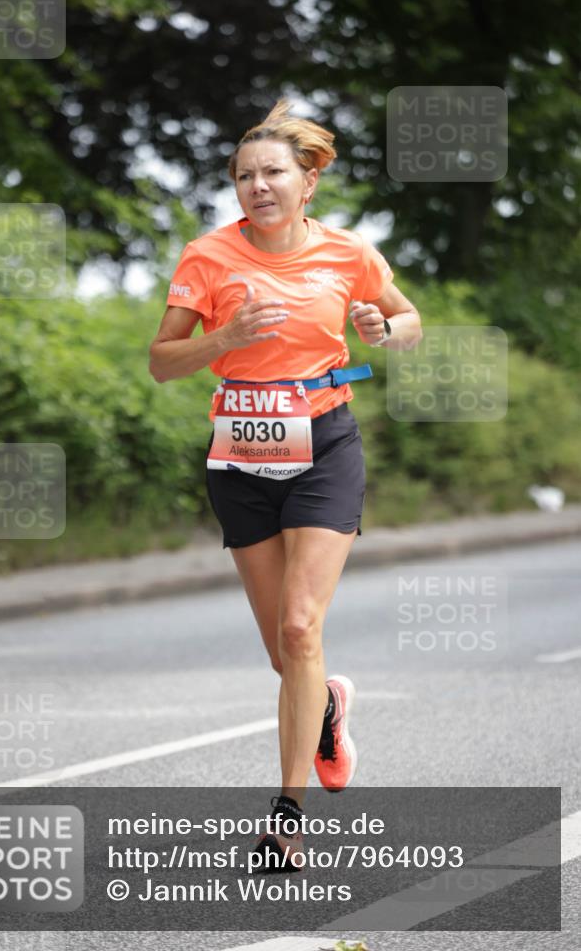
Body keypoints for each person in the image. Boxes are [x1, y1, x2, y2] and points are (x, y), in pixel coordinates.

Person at [149, 98, 422, 870]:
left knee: (302, 629)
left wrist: (382, 330)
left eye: (272, 172)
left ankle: (286, 817)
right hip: (239, 455)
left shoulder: (347, 253)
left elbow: (408, 321)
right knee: (284, 653)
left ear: (308, 183)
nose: (257, 186)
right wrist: (224, 339)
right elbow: (161, 360)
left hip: (324, 445)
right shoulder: (206, 257)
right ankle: (327, 707)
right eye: (244, 176)